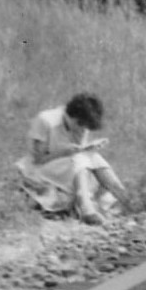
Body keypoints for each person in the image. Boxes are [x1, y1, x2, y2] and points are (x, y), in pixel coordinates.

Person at [16, 93, 129, 225]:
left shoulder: (81, 126)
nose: (83, 130)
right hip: (40, 169)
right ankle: (85, 206)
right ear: (73, 118)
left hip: (69, 167)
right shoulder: (46, 120)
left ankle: (122, 194)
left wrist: (88, 147)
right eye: (81, 125)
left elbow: (79, 151)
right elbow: (37, 159)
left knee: (93, 156)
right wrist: (63, 152)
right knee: (79, 158)